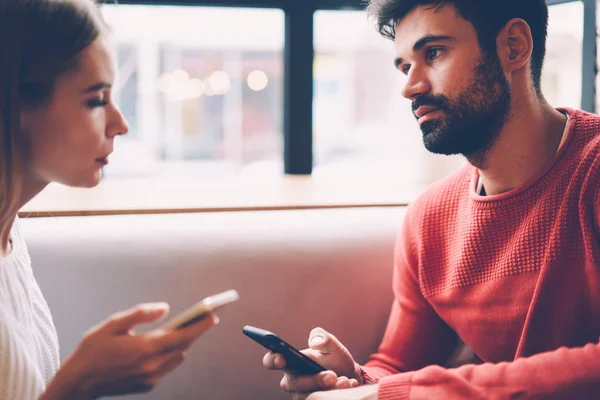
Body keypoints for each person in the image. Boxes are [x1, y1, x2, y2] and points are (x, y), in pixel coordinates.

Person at [263, 0, 600, 399]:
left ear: (513, 46)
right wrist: (353, 377)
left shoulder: (591, 171)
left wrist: (398, 394)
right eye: (405, 66)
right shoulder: (430, 218)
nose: (410, 86)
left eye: (434, 53)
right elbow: (399, 367)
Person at [0, 1, 218, 398]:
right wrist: (78, 385)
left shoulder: (9, 237)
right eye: (96, 100)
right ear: (14, 106)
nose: (120, 124)